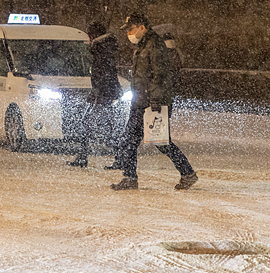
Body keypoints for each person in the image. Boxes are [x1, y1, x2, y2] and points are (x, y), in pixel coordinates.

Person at [111, 12, 198, 191]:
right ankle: (129, 178)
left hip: (151, 103)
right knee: (130, 140)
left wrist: (156, 102)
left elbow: (161, 76)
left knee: (161, 142)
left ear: (142, 27)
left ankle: (187, 173)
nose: (128, 33)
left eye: (131, 29)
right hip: (141, 101)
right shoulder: (144, 46)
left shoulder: (155, 46)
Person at [67, 21, 122, 168]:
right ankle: (116, 157)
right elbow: (108, 72)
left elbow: (104, 73)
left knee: (93, 124)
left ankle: (86, 157)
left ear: (94, 35)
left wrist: (98, 92)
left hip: (103, 93)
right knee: (106, 125)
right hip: (105, 92)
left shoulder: (100, 49)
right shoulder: (105, 48)